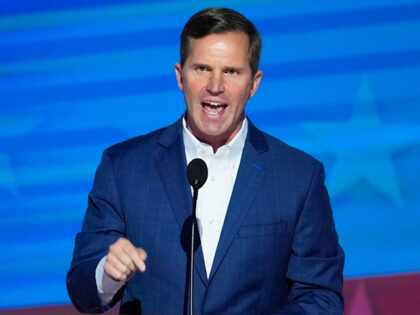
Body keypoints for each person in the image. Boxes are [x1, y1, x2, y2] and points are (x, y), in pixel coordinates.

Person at [67, 7, 344, 315]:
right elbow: (82, 291)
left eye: (232, 71)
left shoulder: (298, 177)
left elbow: (321, 297)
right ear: (180, 76)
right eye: (201, 69)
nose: (215, 86)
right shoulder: (123, 168)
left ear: (254, 83)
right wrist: (107, 271)